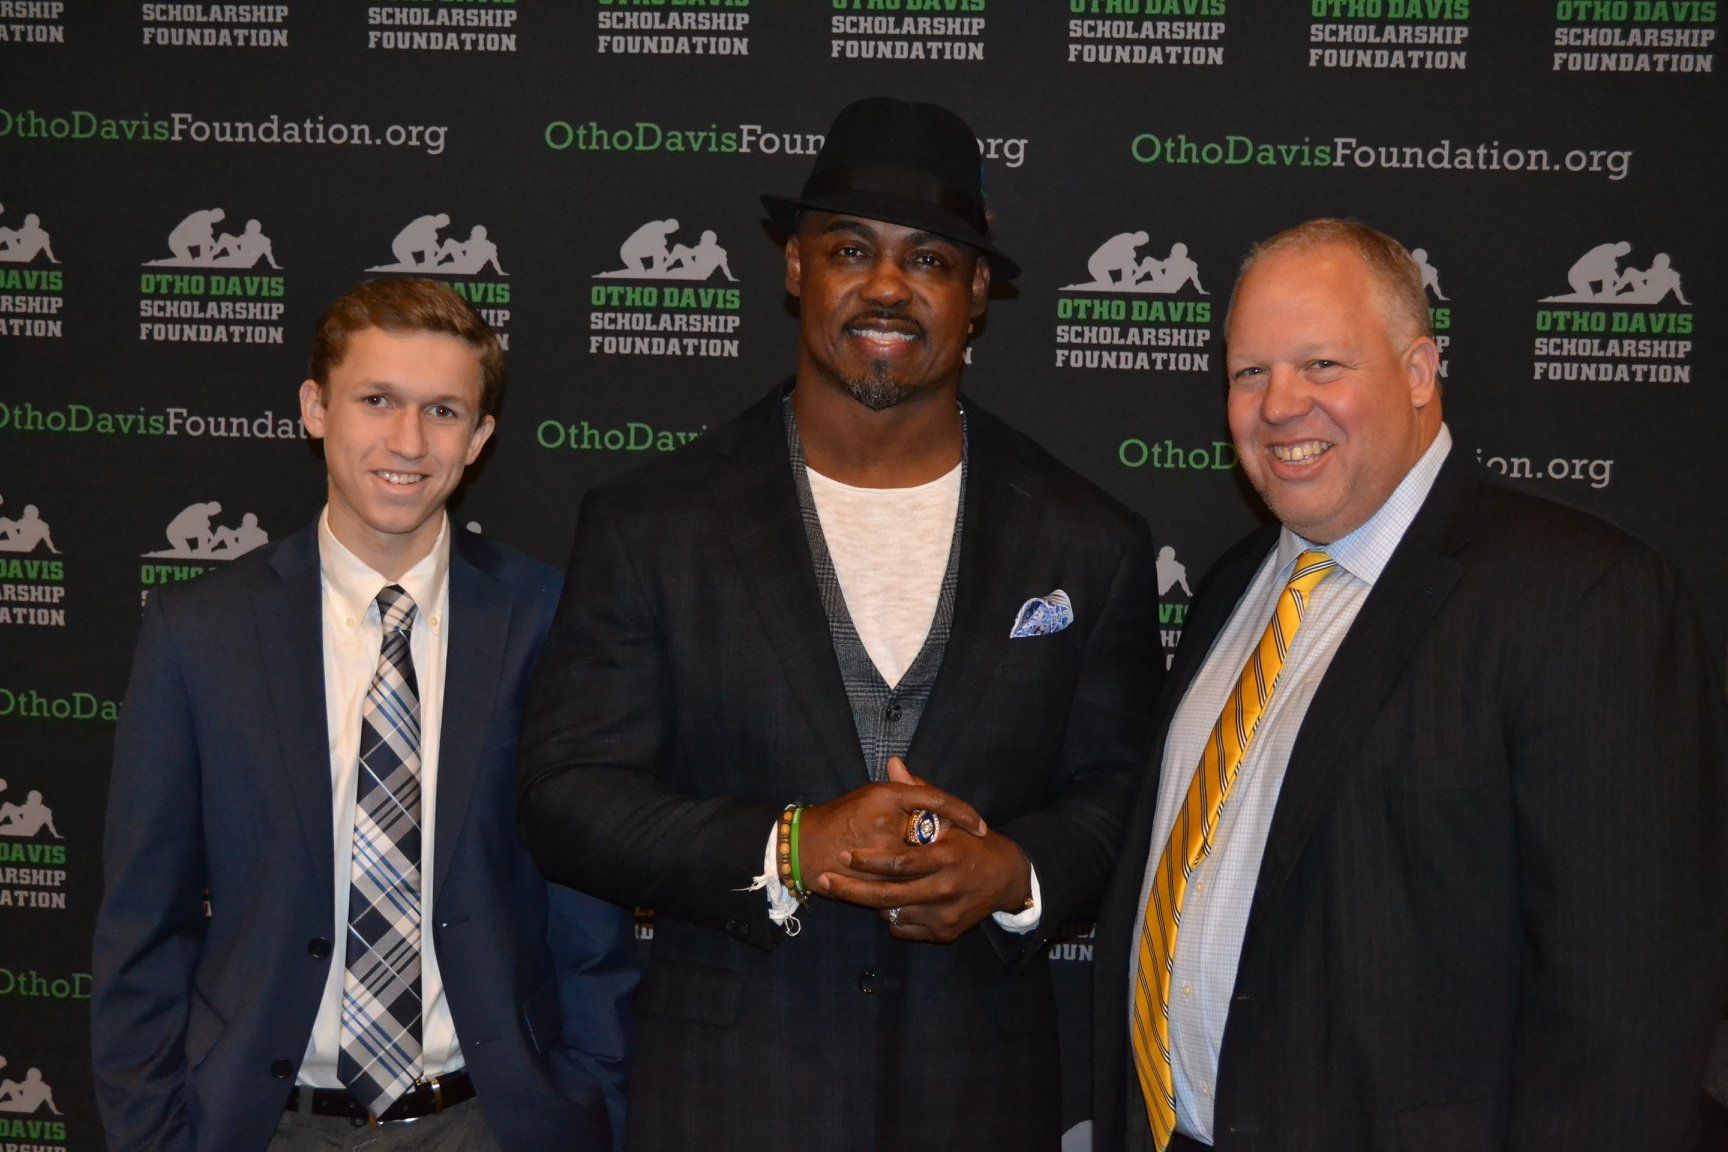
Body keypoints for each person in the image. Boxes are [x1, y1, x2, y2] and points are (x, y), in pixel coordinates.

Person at [517, 96, 1161, 1152]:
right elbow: (565, 796)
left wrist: (1015, 873)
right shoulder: (653, 523)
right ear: (795, 270)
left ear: (978, 293)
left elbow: (1123, 791)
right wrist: (790, 845)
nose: (889, 286)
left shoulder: (1087, 537)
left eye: (933, 260)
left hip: (981, 1096)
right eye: (852, 248)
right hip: (729, 1098)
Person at [1092, 219, 1725, 1152]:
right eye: (1249, 373)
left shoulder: (1582, 599)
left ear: (1421, 373)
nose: (1279, 406)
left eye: (1322, 365)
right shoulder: (1234, 587)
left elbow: (1628, 1014)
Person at [92, 278, 637, 1152]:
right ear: (315, 408)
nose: (408, 441)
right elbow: (142, 929)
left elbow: (589, 919)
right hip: (264, 1126)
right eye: (377, 400)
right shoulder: (198, 635)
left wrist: (592, 1108)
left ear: (481, 438)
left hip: (490, 1123)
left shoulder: (549, 621)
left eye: (445, 411)